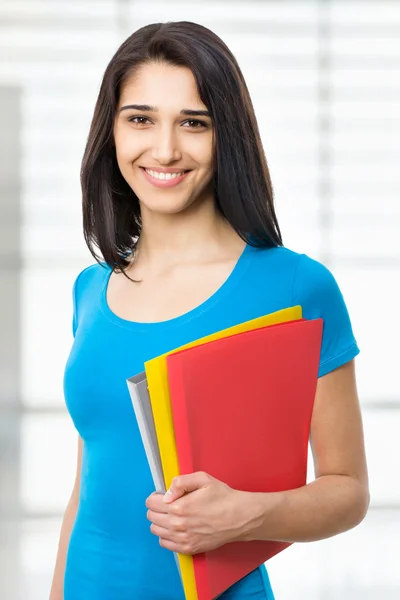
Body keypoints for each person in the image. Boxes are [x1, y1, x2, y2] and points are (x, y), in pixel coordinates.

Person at [49, 21, 369, 600]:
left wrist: (245, 516)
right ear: (111, 131)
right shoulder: (90, 291)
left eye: (193, 123)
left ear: (228, 136)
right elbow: (87, 487)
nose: (165, 149)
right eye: (140, 119)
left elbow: (347, 490)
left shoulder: (295, 287)